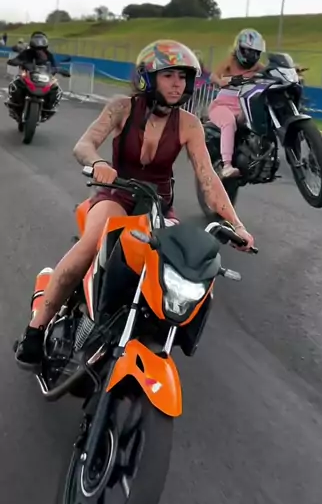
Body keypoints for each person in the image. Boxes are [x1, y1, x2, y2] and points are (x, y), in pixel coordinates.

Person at [15, 39, 255, 370]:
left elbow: (209, 179)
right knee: (91, 243)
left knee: (186, 264)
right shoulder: (122, 108)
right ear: (147, 77)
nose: (177, 84)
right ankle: (36, 328)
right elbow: (84, 145)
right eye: (168, 75)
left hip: (158, 206)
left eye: (182, 77)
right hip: (116, 194)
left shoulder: (189, 124)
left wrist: (236, 224)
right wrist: (98, 163)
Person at [209, 29, 266, 178]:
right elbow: (213, 76)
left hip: (243, 106)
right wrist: (220, 81)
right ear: (239, 49)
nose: (252, 56)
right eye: (248, 51)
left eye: (256, 52)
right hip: (223, 105)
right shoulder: (229, 62)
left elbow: (271, 72)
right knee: (228, 121)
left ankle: (259, 155)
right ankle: (227, 165)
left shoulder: (258, 67)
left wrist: (292, 70)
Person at [7, 31, 61, 119]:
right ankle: (14, 102)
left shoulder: (48, 54)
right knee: (15, 83)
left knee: (55, 87)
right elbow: (18, 59)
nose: (39, 48)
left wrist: (58, 69)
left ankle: (49, 106)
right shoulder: (27, 52)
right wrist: (15, 61)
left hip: (44, 76)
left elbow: (54, 65)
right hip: (28, 75)